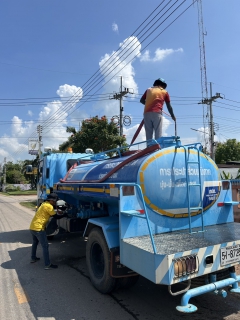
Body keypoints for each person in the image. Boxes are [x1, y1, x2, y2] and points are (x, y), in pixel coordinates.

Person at [29, 193, 65, 270]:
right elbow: (56, 217)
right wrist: (65, 214)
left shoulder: (44, 204)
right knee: (45, 246)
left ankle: (33, 258)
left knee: (35, 243)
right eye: (55, 201)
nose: (55, 202)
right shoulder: (49, 206)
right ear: (51, 201)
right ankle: (47, 264)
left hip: (32, 227)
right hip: (39, 229)